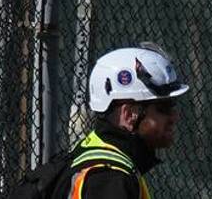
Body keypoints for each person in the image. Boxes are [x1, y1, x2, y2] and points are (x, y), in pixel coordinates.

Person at [57, 43, 189, 199]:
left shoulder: (99, 154)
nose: (174, 117)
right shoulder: (110, 179)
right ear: (128, 114)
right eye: (163, 108)